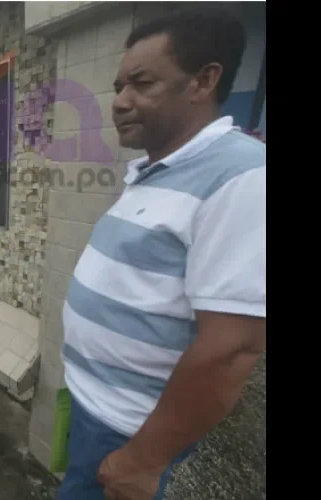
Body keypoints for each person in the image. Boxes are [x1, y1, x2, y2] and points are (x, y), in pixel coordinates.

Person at [57, 9, 265, 500]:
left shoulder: (242, 177)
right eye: (118, 87)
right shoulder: (156, 169)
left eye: (141, 84)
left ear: (203, 81)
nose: (120, 103)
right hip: (95, 409)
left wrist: (144, 459)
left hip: (129, 429)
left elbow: (233, 347)